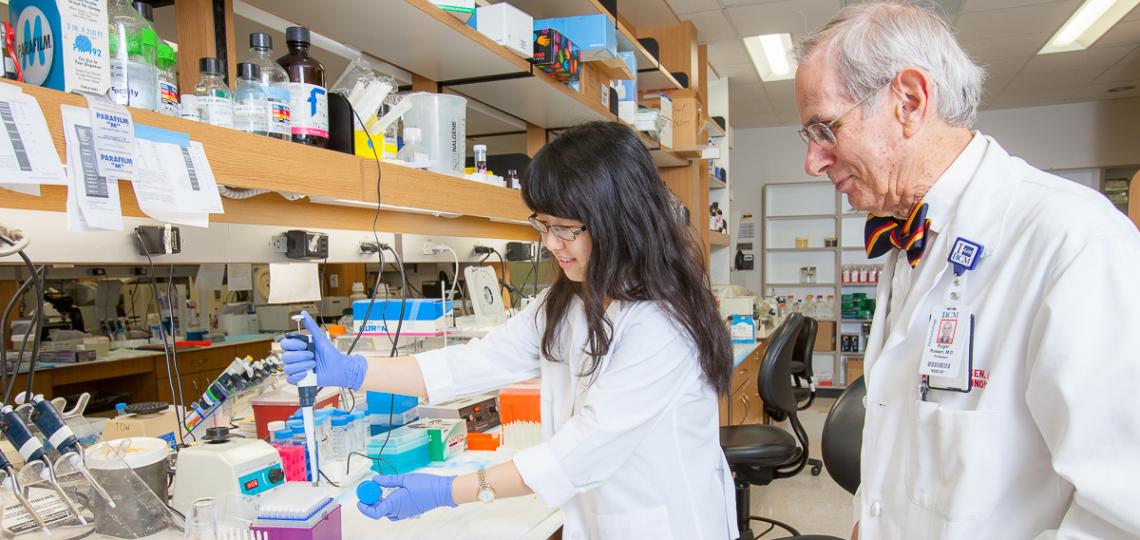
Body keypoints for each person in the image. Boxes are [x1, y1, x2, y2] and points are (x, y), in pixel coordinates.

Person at [281, 121, 738, 539]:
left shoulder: (662, 324)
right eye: (541, 224)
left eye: (565, 228)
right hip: (602, 519)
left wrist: (449, 490)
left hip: (671, 524)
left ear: (619, 220)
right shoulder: (567, 302)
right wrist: (355, 370)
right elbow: (476, 361)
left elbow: (581, 453)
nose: (549, 242)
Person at [793, 2, 1140, 539]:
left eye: (824, 128)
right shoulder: (909, 238)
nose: (813, 161)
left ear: (908, 101)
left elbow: (1122, 512)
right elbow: (899, 427)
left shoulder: (1074, 242)